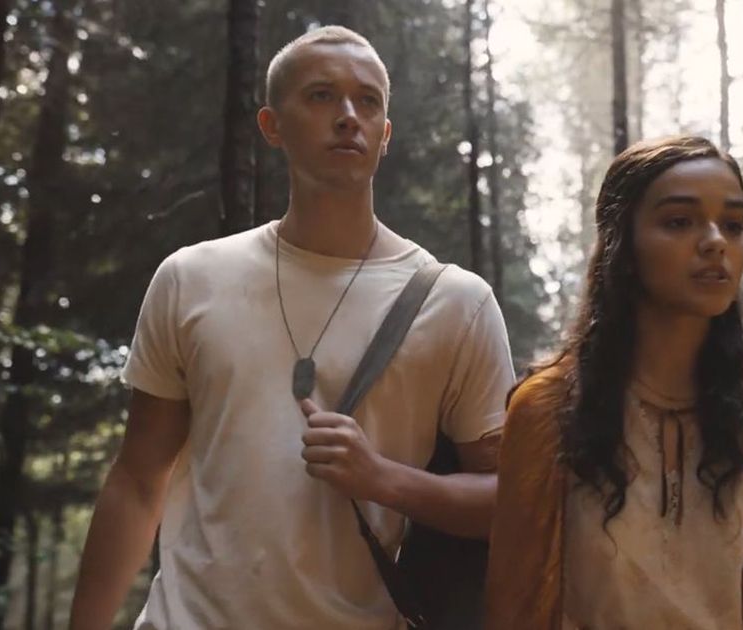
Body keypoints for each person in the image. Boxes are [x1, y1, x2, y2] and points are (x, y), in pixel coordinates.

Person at [69, 25, 515, 629]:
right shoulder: (191, 278)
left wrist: (383, 479)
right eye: (321, 96)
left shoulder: (457, 302)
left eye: (368, 101)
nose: (347, 116)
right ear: (272, 126)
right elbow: (138, 479)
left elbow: (507, 502)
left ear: (385, 136)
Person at [485, 136, 743, 630]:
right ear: (622, 244)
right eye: (679, 221)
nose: (716, 241)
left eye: (732, 224)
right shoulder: (547, 408)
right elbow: (515, 608)